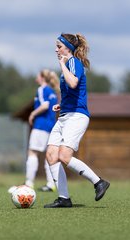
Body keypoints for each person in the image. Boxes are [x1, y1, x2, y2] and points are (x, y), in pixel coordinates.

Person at [44, 33, 110, 208]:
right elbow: (72, 92)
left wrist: (62, 64)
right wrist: (62, 105)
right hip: (66, 115)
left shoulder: (73, 62)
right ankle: (64, 198)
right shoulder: (68, 65)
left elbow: (73, 83)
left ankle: (99, 182)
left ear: (68, 48)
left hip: (76, 117)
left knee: (64, 156)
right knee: (51, 155)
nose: (56, 49)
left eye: (59, 46)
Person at [9, 69, 59, 193]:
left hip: (40, 125)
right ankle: (51, 184)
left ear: (42, 77)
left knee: (32, 152)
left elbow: (45, 105)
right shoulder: (52, 91)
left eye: (38, 75)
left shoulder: (42, 89)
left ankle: (29, 183)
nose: (36, 76)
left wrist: (32, 113)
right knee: (49, 155)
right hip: (51, 126)